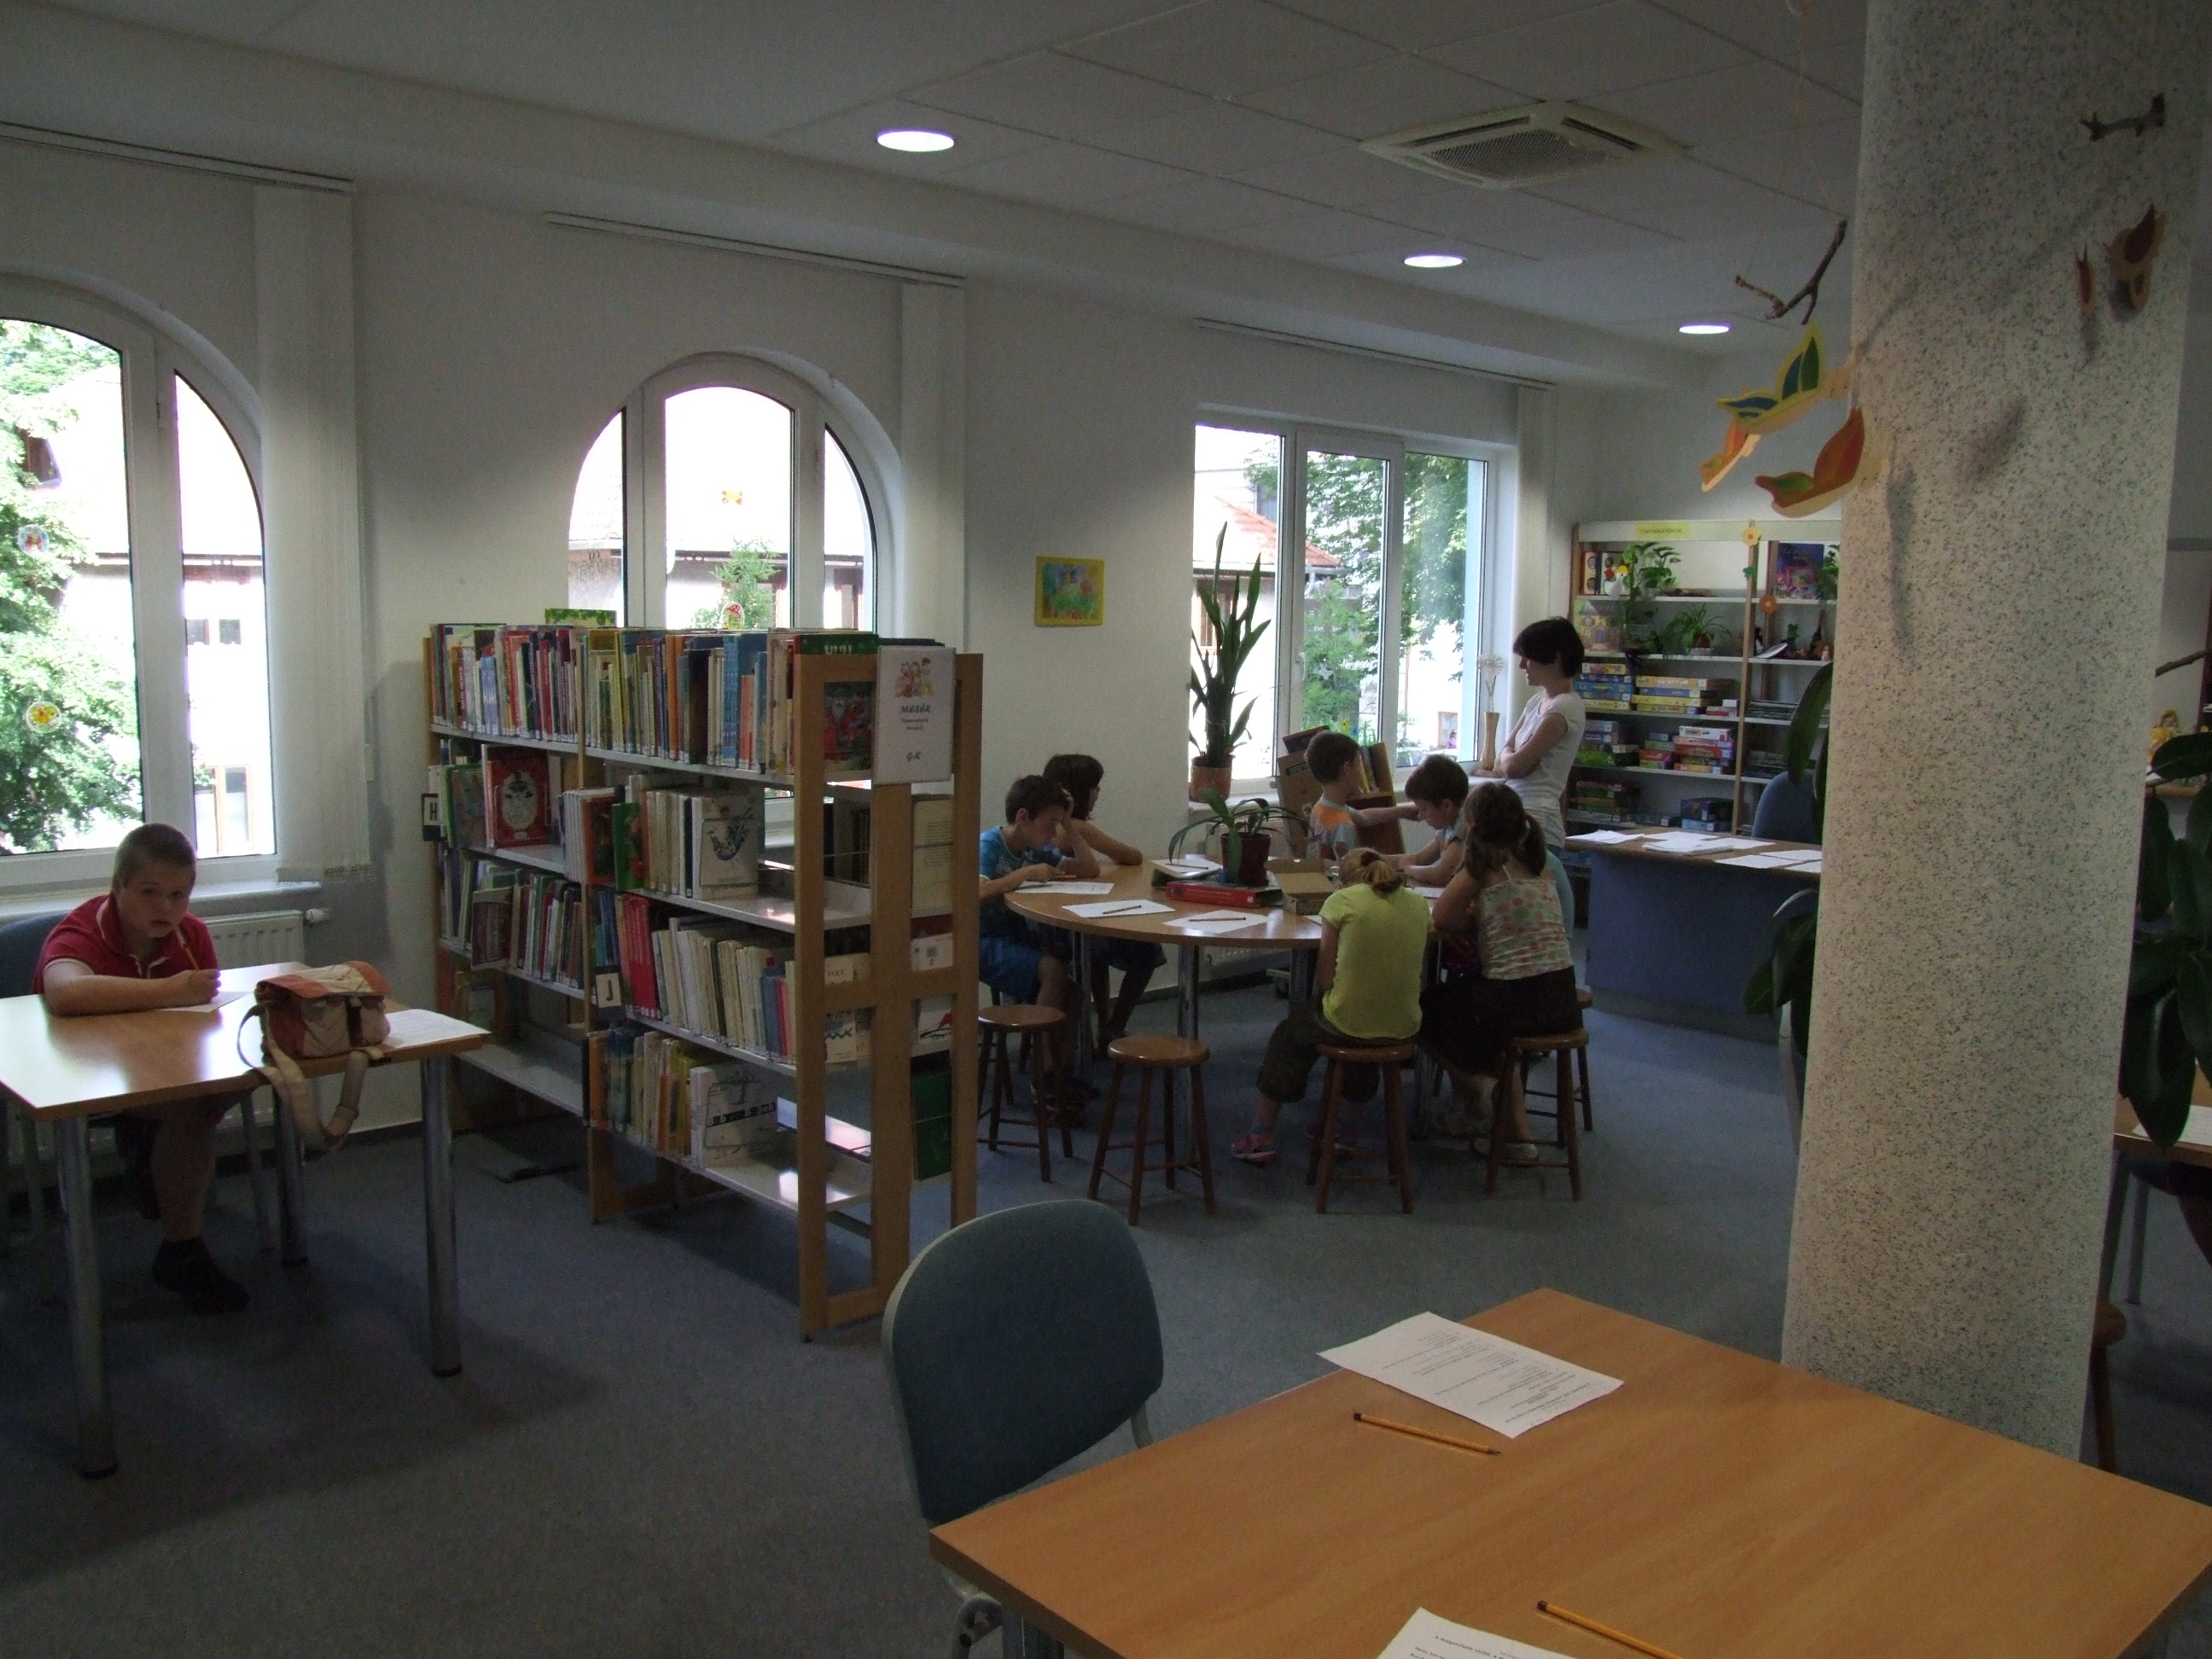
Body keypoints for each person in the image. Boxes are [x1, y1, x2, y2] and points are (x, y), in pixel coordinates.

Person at [35, 824, 247, 1313]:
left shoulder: (191, 935)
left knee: (239, 1079)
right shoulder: (83, 929)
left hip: (163, 1069)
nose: (165, 908)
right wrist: (171, 991)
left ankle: (158, 1158)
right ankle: (182, 1247)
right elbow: (65, 992)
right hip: (86, 1075)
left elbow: (203, 1017)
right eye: (149, 892)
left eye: (178, 895)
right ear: (119, 886)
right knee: (190, 1110)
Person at [1231, 848, 1430, 1167]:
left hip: (1350, 1021)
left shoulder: (1341, 901)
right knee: (1366, 1038)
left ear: (1343, 881)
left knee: (1290, 1036)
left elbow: (1325, 980)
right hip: (1404, 1024)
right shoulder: (1418, 903)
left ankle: (1260, 1134)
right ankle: (1345, 1130)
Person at [1418, 783, 1582, 1163]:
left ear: (1473, 826)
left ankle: (1484, 1089)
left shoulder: (1483, 868)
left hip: (1516, 999)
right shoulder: (1539, 864)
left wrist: (1475, 918)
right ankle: (1516, 1136)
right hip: (1561, 997)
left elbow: (1442, 917)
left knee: (1424, 1010)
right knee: (1471, 1003)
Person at [978, 775, 1100, 1097]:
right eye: (1050, 824)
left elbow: (1089, 869)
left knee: (1074, 992)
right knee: (1054, 970)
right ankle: (1044, 1076)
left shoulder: (1035, 850)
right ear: (1023, 817)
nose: (1053, 834)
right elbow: (976, 892)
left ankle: (1060, 1072)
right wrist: (1024, 874)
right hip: (981, 943)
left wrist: (1069, 824)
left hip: (1014, 939)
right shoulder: (990, 845)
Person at [1043, 752, 1162, 1041]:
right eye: (1094, 786)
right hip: (1068, 927)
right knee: (1146, 950)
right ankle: (1113, 1025)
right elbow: (1132, 856)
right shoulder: (1076, 827)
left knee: (1098, 951)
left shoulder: (1044, 824)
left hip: (1048, 920)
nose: (1098, 792)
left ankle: (1105, 1022)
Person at [1478, 617, 1586, 851]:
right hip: (1514, 815)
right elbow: (1501, 763)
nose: (1522, 665)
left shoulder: (1565, 706)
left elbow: (1513, 768)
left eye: (1528, 657)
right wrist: (1512, 758)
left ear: (1554, 658)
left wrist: (1512, 759)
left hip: (1538, 823)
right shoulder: (1536, 702)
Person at [1388, 754, 1470, 884]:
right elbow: (1418, 859)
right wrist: (1376, 859)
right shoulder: (1447, 827)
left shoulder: (1464, 826)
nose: (1420, 816)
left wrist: (1409, 869)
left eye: (1424, 809)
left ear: (1446, 806)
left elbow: (1441, 875)